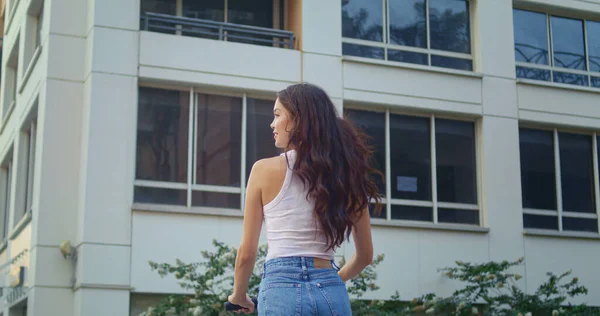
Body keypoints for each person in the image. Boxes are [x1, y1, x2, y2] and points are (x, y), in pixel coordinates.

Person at [227, 83, 383, 315]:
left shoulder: (263, 170)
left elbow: (247, 253)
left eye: (277, 115)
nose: (272, 123)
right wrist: (330, 280)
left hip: (281, 287)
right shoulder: (347, 175)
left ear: (298, 119)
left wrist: (238, 295)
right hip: (331, 288)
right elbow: (365, 256)